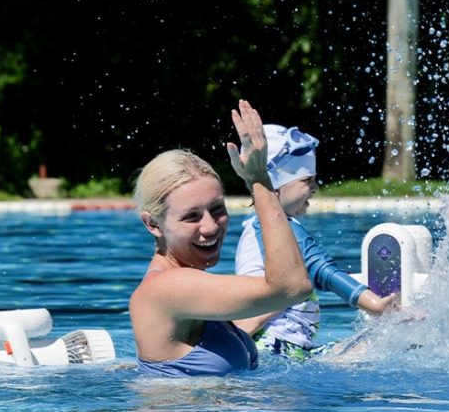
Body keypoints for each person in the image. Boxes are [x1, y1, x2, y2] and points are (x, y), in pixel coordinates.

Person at [129, 100, 313, 377]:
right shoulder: (167, 286)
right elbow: (292, 286)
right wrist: (259, 179)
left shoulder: (190, 286)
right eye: (191, 217)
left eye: (217, 210)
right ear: (153, 224)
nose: (211, 227)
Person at [234, 123, 398, 361]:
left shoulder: (258, 225)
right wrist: (374, 305)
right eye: (307, 180)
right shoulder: (275, 228)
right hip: (275, 348)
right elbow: (322, 269)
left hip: (284, 348)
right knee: (377, 348)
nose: (315, 188)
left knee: (360, 349)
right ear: (276, 184)